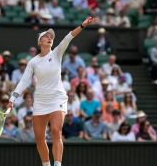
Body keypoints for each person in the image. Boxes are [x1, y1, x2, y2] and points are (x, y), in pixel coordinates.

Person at [7, 17, 97, 166]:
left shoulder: (57, 53)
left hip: (57, 98)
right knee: (40, 138)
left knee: (56, 130)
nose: (49, 38)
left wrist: (83, 25)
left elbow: (69, 37)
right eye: (46, 36)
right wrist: (12, 98)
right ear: (39, 42)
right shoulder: (33, 62)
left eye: (51, 37)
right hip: (41, 101)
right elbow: (24, 81)